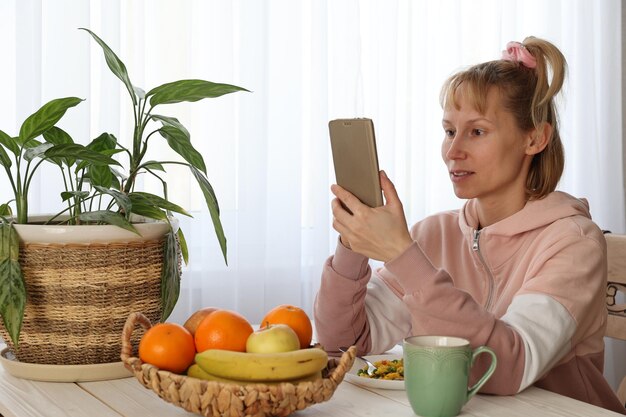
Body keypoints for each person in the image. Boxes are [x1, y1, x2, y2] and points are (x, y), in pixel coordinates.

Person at [314, 36, 626, 413]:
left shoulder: (572, 242)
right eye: (449, 131)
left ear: (535, 138)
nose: (453, 151)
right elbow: (345, 343)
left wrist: (402, 255)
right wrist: (353, 243)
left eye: (476, 131)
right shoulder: (433, 235)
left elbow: (510, 365)